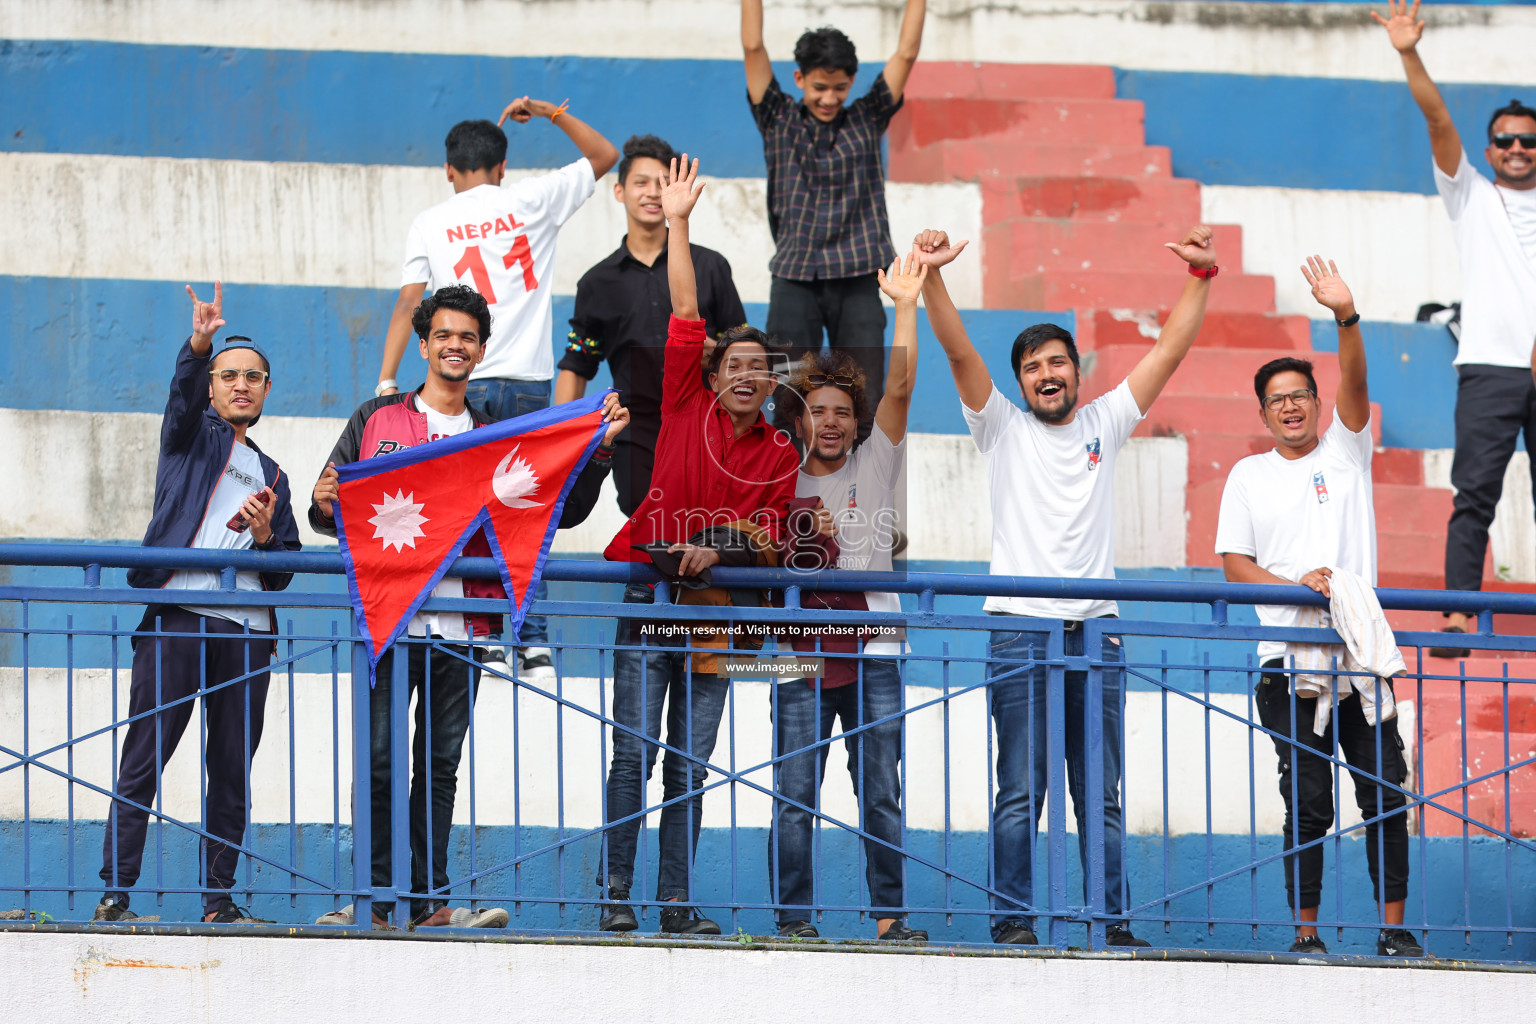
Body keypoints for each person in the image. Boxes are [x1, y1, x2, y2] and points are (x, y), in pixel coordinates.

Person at [918, 225, 1219, 947]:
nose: (1047, 374)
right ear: (1019, 381)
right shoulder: (1001, 429)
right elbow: (959, 352)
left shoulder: (1105, 421)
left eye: (1058, 362)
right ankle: (1014, 922)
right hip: (1020, 626)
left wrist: (1201, 277)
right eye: (1032, 367)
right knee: (1021, 793)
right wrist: (931, 276)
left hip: (1095, 630)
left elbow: (1169, 350)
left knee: (1101, 797)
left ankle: (1110, 922)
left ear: (1078, 373)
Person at [312, 284, 628, 930]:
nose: (455, 346)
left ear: (481, 351)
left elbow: (554, 508)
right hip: (388, 622)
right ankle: (374, 900)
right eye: (444, 335)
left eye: (467, 337)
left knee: (437, 766)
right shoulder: (375, 419)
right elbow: (329, 508)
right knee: (377, 760)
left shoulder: (494, 434)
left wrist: (594, 454)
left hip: (461, 627)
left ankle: (428, 902)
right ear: (424, 345)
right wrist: (323, 502)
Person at [596, 156, 799, 936]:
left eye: (760, 368)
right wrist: (679, 222)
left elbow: (776, 539)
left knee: (690, 764)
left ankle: (674, 903)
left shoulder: (779, 453)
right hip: (652, 601)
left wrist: (724, 549)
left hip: (716, 616)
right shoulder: (683, 398)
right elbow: (686, 307)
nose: (747, 375)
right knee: (632, 759)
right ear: (710, 374)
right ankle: (617, 894)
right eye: (734, 364)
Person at [1216, 257, 1421, 958]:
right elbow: (1233, 565)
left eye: (1302, 394)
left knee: (1385, 796)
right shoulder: (1248, 475)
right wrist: (1292, 584)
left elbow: (1357, 382)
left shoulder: (1347, 448)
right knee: (1307, 800)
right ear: (1264, 412)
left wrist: (1345, 316)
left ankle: (1394, 929)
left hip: (1360, 657)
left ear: (1316, 400)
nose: (1293, 406)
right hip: (1286, 660)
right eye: (1278, 399)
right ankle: (1306, 933)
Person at [376, 104, 619, 677]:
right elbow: (607, 155)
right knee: (523, 510)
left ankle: (481, 630)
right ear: (503, 167)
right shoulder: (533, 198)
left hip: (467, 382)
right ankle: (531, 639)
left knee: (469, 510)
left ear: (448, 170)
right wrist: (554, 113)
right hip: (532, 387)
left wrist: (388, 381)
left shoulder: (431, 221)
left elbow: (410, 303)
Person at [96, 282, 303, 924]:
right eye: (228, 375)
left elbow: (287, 567)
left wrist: (268, 538)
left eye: (253, 377)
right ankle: (116, 895)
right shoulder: (190, 437)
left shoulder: (274, 475)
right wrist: (197, 346)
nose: (240, 385)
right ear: (213, 387)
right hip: (180, 616)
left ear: (268, 390)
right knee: (145, 756)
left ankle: (219, 900)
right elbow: (180, 397)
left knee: (232, 771)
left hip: (246, 630)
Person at [767, 251, 927, 941]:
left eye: (842, 412)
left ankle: (890, 918)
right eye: (817, 411)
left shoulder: (876, 460)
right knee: (794, 795)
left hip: (875, 654)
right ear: (798, 420)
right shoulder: (774, 477)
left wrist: (906, 305)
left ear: (857, 422)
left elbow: (900, 384)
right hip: (794, 658)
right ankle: (793, 920)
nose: (829, 421)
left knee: (882, 794)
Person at [1374, 0, 1536, 657]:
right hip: (1490, 369)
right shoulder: (1469, 193)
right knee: (1475, 496)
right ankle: (1459, 615)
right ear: (1491, 147)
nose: (1518, 149)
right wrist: (1409, 51)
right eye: (1506, 140)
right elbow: (1438, 118)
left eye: (1529, 140)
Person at [741, 0, 926, 441]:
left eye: (839, 88)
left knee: (863, 399)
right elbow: (752, 45)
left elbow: (906, 53)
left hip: (860, 278)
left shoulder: (867, 116)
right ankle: (786, 501)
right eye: (820, 87)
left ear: (852, 83)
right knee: (787, 397)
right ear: (800, 78)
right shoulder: (777, 117)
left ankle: (862, 498)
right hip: (794, 278)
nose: (829, 98)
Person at [555, 133, 748, 516]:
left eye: (662, 183)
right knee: (642, 514)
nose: (651, 193)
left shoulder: (710, 266)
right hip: (636, 424)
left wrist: (721, 351)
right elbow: (578, 363)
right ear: (618, 191)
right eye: (640, 182)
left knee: (712, 517)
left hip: (709, 414)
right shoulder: (596, 283)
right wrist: (560, 437)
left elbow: (743, 344)